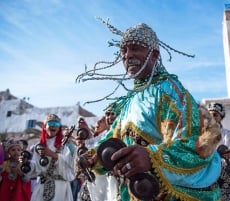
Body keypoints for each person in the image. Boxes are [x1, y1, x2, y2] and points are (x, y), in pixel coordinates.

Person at [78, 19, 222, 201]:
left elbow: (195, 142)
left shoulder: (169, 90)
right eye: (124, 50)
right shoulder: (130, 101)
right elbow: (113, 140)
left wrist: (151, 156)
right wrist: (93, 158)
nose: (127, 55)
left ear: (153, 55)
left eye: (135, 48)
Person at [20, 114, 75, 201]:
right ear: (45, 126)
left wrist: (54, 155)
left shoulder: (64, 145)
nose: (53, 126)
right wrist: (27, 163)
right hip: (42, 186)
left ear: (59, 128)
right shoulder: (38, 146)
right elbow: (36, 168)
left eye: (56, 124)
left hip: (60, 187)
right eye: (50, 123)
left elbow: (71, 165)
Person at [207, 102, 230, 201]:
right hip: (205, 182)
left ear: (221, 116)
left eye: (215, 114)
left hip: (226, 182)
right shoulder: (200, 138)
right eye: (209, 115)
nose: (212, 118)